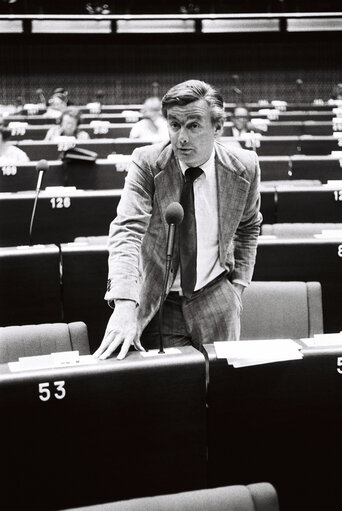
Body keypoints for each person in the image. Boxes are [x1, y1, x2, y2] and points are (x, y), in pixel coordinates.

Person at [94, 79, 262, 361]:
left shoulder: (244, 165)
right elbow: (127, 231)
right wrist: (124, 304)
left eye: (193, 125)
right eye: (174, 125)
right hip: (160, 302)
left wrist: (238, 285)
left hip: (217, 295)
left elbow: (248, 227)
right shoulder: (147, 162)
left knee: (221, 390)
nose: (181, 137)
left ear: (217, 127)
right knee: (168, 394)